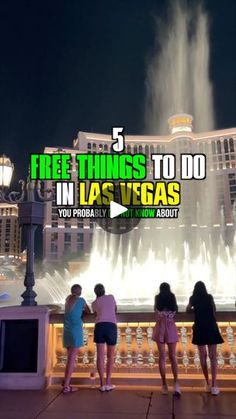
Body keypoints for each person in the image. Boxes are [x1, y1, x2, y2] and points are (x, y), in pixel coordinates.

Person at [186, 281, 223, 396]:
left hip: (200, 328)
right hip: (211, 327)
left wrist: (196, 310)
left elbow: (187, 310)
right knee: (213, 357)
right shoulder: (209, 297)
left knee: (203, 356)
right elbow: (214, 309)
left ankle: (207, 383)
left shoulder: (193, 298)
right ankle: (214, 385)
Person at [153, 282, 181, 396]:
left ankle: (164, 384)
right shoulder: (172, 297)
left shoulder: (157, 298)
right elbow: (176, 310)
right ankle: (176, 384)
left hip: (160, 328)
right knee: (173, 357)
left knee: (162, 357)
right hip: (170, 326)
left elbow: (155, 310)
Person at [63, 284, 90, 394]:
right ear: (80, 292)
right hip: (75, 330)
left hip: (67, 331)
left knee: (69, 358)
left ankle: (66, 382)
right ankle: (66, 386)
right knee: (71, 359)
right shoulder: (81, 300)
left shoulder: (67, 299)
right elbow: (89, 311)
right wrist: (83, 311)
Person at [92, 283, 117, 392]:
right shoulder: (111, 297)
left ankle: (102, 384)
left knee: (100, 356)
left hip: (100, 326)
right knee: (111, 356)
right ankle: (108, 382)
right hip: (111, 326)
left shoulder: (94, 303)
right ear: (104, 290)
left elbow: (95, 313)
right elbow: (115, 309)